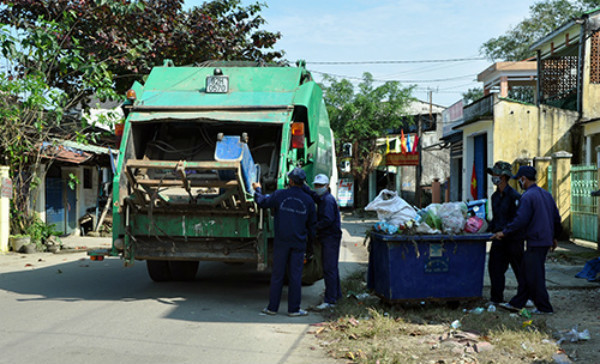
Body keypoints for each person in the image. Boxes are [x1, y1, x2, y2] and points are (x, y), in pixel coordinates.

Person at [492, 166, 561, 314]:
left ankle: (544, 307)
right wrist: (554, 237)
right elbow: (556, 218)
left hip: (535, 240)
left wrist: (504, 232)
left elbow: (520, 220)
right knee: (527, 272)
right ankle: (517, 303)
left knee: (535, 276)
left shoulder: (527, 197)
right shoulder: (546, 194)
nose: (519, 182)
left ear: (524, 179)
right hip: (544, 240)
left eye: (519, 179)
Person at [252, 168, 316, 317]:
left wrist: (258, 189)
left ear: (291, 181)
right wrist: (310, 246)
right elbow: (312, 227)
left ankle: (272, 308)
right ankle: (294, 309)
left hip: (282, 243)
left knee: (277, 275)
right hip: (298, 243)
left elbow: (261, 202)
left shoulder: (280, 195)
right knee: (295, 276)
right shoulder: (308, 200)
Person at [486, 161, 525, 306]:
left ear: (503, 177)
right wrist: (485, 227)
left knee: (520, 270)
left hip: (514, 240)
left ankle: (524, 298)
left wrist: (506, 232)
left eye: (495, 174)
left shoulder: (515, 197)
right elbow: (496, 218)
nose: (493, 177)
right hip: (499, 239)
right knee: (495, 268)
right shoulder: (495, 197)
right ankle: (496, 299)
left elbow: (518, 220)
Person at [304, 174, 343, 310]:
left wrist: (313, 228)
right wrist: (304, 185)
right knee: (331, 268)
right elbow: (314, 196)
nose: (317, 188)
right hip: (330, 237)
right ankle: (336, 295)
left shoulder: (327, 201)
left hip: (330, 238)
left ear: (327, 186)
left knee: (329, 268)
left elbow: (327, 220)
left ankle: (330, 300)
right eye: (316, 185)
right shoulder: (324, 198)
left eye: (320, 186)